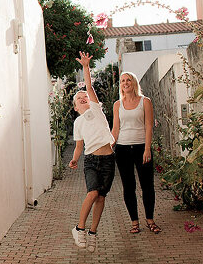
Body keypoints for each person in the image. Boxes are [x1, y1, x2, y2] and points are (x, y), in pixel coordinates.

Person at [68, 51, 116, 253]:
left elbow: (89, 86)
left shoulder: (96, 110)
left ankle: (93, 233)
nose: (83, 98)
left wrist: (86, 67)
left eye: (84, 97)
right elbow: (79, 145)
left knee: (102, 197)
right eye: (79, 99)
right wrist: (74, 160)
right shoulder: (78, 123)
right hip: (91, 161)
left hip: (108, 160)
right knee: (93, 192)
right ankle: (79, 228)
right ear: (76, 107)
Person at [111, 71, 159, 234]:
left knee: (147, 186)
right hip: (123, 149)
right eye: (123, 80)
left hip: (141, 147)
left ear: (134, 83)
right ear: (121, 85)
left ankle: (150, 220)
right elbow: (115, 129)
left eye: (128, 80)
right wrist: (109, 146)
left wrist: (147, 148)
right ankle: (134, 222)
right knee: (128, 186)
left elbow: (149, 126)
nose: (125, 83)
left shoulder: (145, 102)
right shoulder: (117, 104)